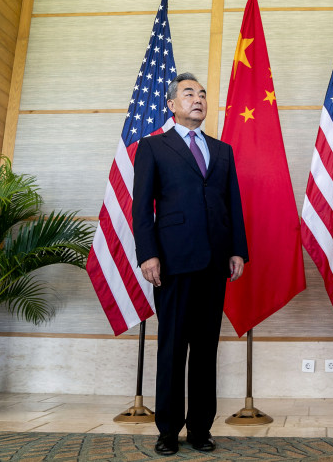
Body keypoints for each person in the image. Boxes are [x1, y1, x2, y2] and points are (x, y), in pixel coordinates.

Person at [132, 72, 248, 456]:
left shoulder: (222, 150)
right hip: (172, 261)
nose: (197, 99)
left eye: (201, 94)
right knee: (172, 348)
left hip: (215, 261)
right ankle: (168, 430)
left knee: (204, 349)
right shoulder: (153, 147)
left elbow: (232, 204)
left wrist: (237, 250)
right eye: (188, 94)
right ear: (171, 104)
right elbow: (141, 206)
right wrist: (147, 253)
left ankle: (200, 428)